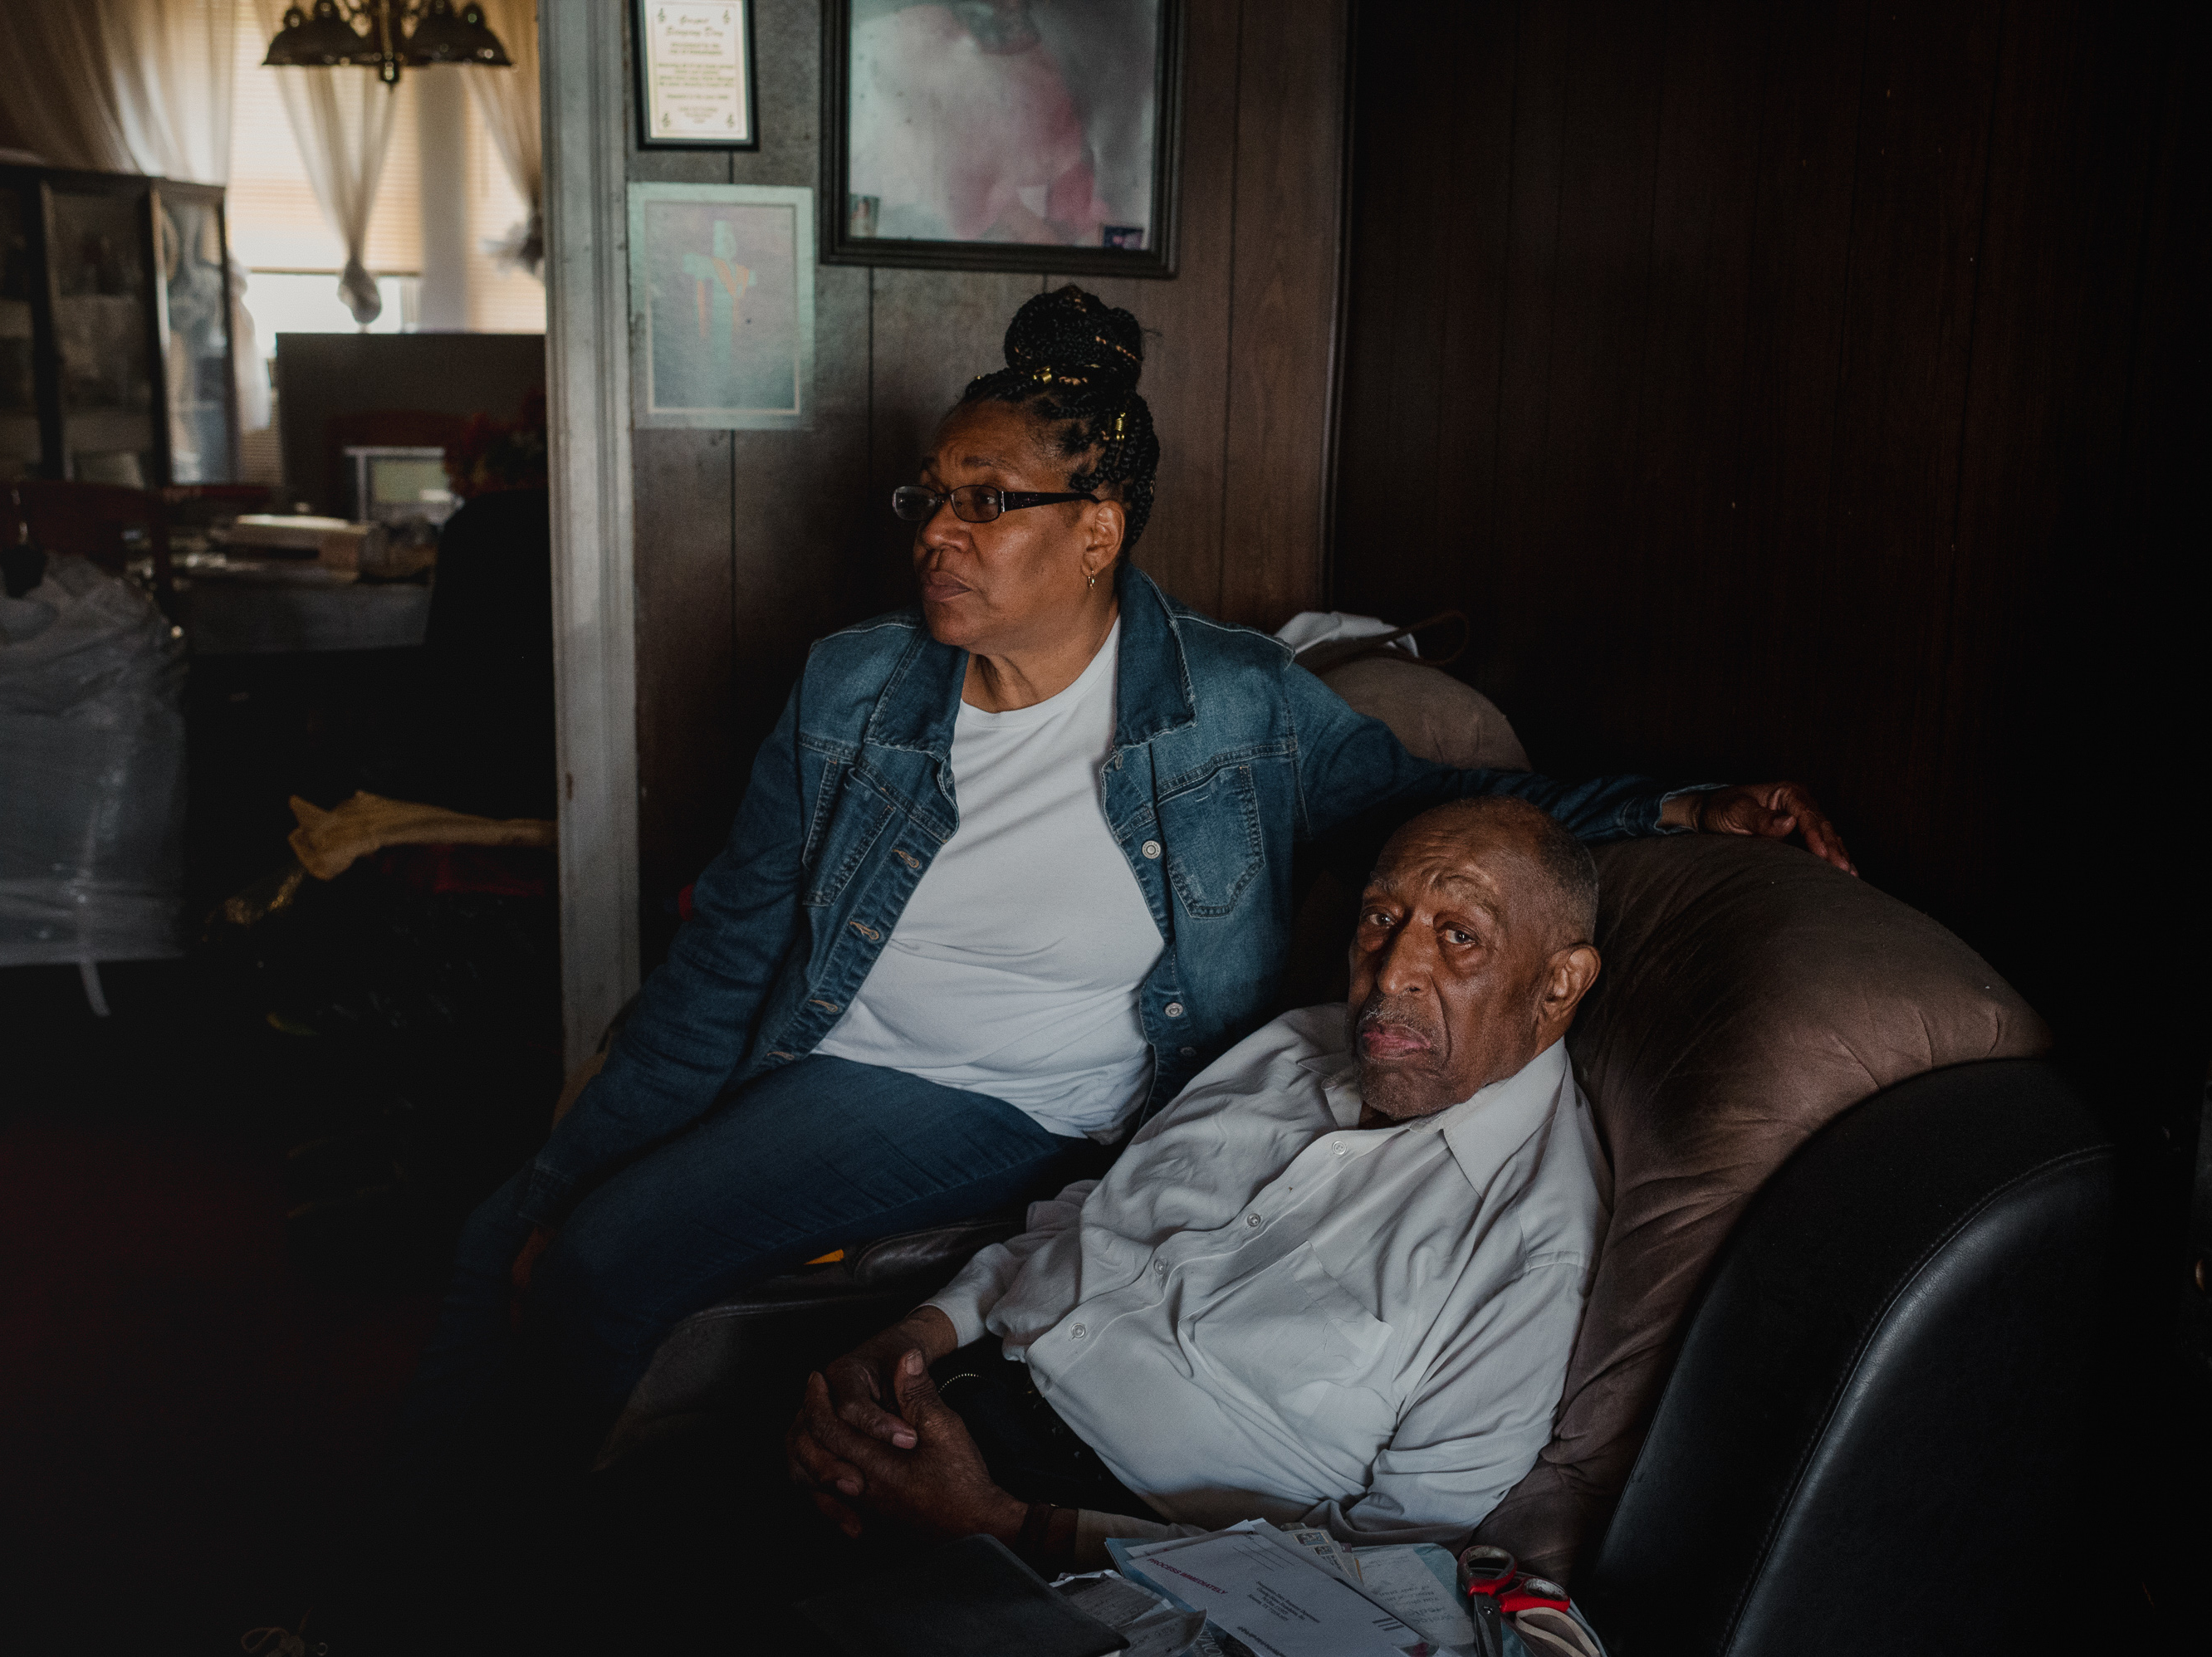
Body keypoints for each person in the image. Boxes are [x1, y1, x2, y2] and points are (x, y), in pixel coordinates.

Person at [406, 284, 1851, 1441]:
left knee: (603, 1260)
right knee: (502, 1232)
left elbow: (1443, 798)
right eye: (929, 498)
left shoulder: (1234, 708)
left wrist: (1680, 810)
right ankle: (434, 1569)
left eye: (986, 501)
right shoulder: (852, 688)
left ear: (1096, 530)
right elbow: (731, 948)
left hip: (1004, 1098)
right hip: (814, 1043)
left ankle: (527, 1581)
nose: (939, 533)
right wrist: (567, 1163)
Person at [785, 796, 1610, 1571]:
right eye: (1381, 918)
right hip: (948, 1389)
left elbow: (1389, 1566)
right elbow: (1086, 1221)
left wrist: (1005, 1526)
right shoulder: (1294, 1046)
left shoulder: (1535, 1248)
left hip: (1091, 1545)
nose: (1393, 973)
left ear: (1560, 983)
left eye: (1459, 936)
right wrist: (907, 1343)